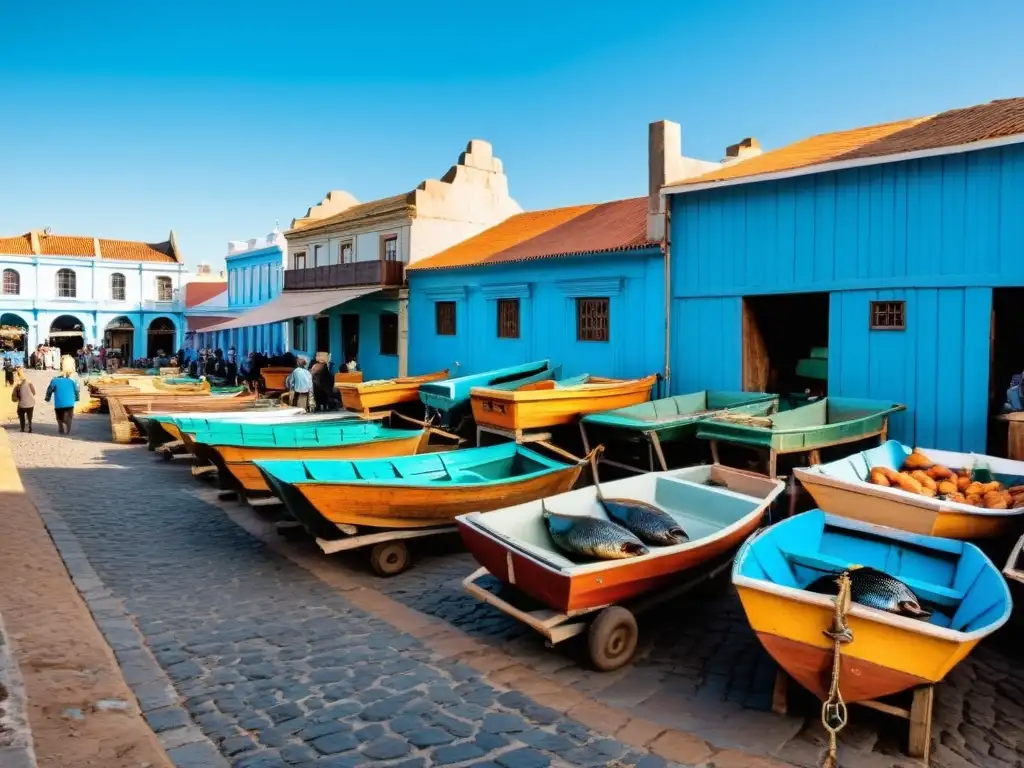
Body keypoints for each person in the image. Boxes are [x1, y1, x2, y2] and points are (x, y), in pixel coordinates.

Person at [46, 366, 80, 435]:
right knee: (69, 417)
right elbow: (77, 390)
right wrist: (77, 398)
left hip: (59, 403)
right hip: (70, 403)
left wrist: (47, 398)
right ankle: (68, 429)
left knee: (59, 416)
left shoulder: (54, 380)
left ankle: (60, 427)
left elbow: (49, 390)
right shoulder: (72, 381)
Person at [11, 367, 35, 433]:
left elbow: (14, 398)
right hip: (31, 403)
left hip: (22, 404)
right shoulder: (29, 383)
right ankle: (30, 426)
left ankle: (22, 428)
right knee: (30, 416)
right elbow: (34, 392)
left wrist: (18, 398)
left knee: (21, 415)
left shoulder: (17, 385)